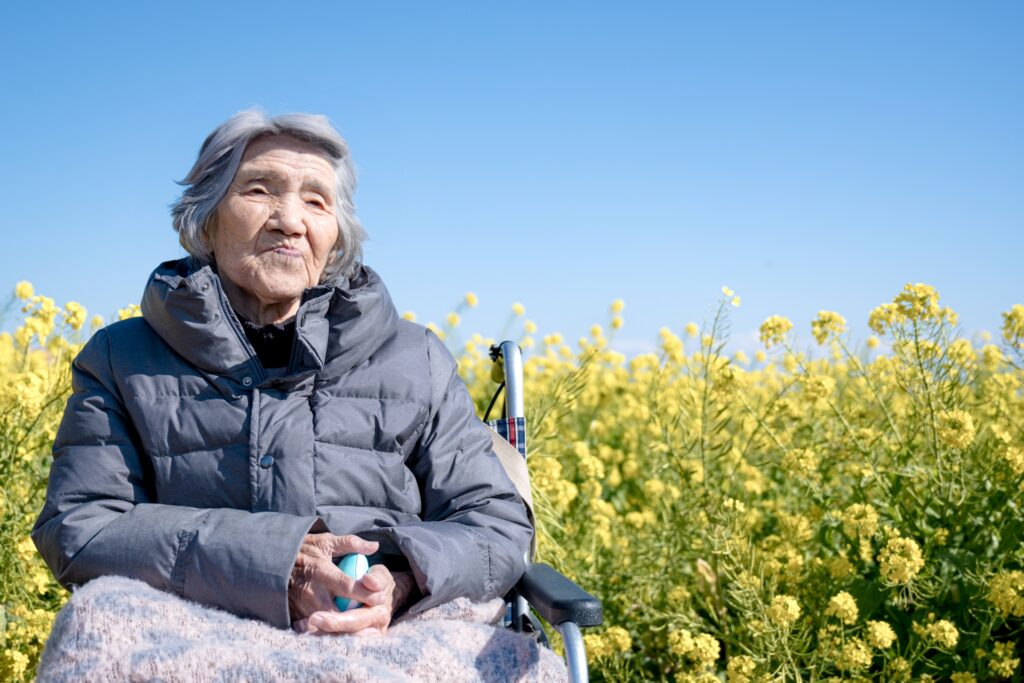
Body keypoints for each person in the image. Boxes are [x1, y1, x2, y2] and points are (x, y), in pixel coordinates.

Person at [32, 109, 534, 637]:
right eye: (259, 191)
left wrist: (406, 579)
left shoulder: (417, 360)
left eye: (316, 202)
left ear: (336, 238)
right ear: (205, 221)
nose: (290, 221)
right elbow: (80, 527)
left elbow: (495, 524)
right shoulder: (122, 359)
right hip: (189, 639)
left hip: (393, 635)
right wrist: (276, 564)